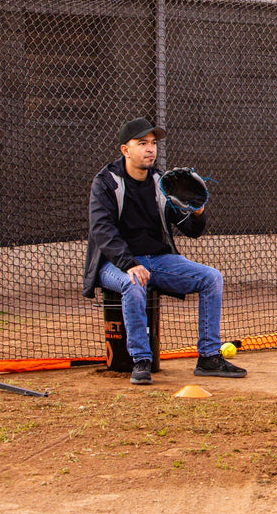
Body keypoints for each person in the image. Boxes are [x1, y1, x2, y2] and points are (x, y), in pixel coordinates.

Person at [82, 118, 246, 385]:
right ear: (125, 150)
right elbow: (103, 231)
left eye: (154, 143)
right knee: (134, 283)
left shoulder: (162, 182)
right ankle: (141, 360)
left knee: (211, 277)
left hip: (157, 260)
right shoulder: (106, 182)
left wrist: (197, 210)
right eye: (142, 143)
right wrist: (129, 264)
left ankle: (208, 357)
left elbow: (190, 229)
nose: (150, 149)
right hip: (114, 264)